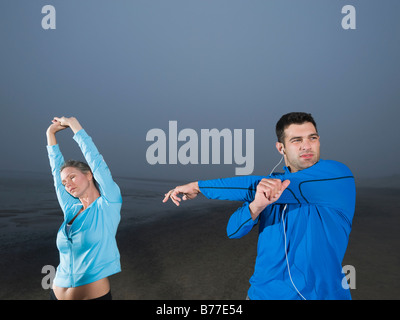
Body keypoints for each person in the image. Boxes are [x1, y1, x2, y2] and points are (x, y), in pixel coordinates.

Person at [163, 112, 356, 300]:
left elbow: (258, 185)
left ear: (319, 140)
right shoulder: (268, 186)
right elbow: (233, 230)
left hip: (319, 295)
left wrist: (199, 187)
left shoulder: (336, 175)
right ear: (281, 148)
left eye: (312, 138)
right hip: (262, 294)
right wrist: (256, 206)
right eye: (297, 140)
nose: (306, 146)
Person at [46, 116, 122, 300]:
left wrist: (74, 125)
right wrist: (50, 134)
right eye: (65, 182)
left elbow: (96, 161)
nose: (67, 184)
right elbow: (56, 172)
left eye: (72, 177)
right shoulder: (71, 209)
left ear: (89, 175)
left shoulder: (108, 204)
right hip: (56, 293)